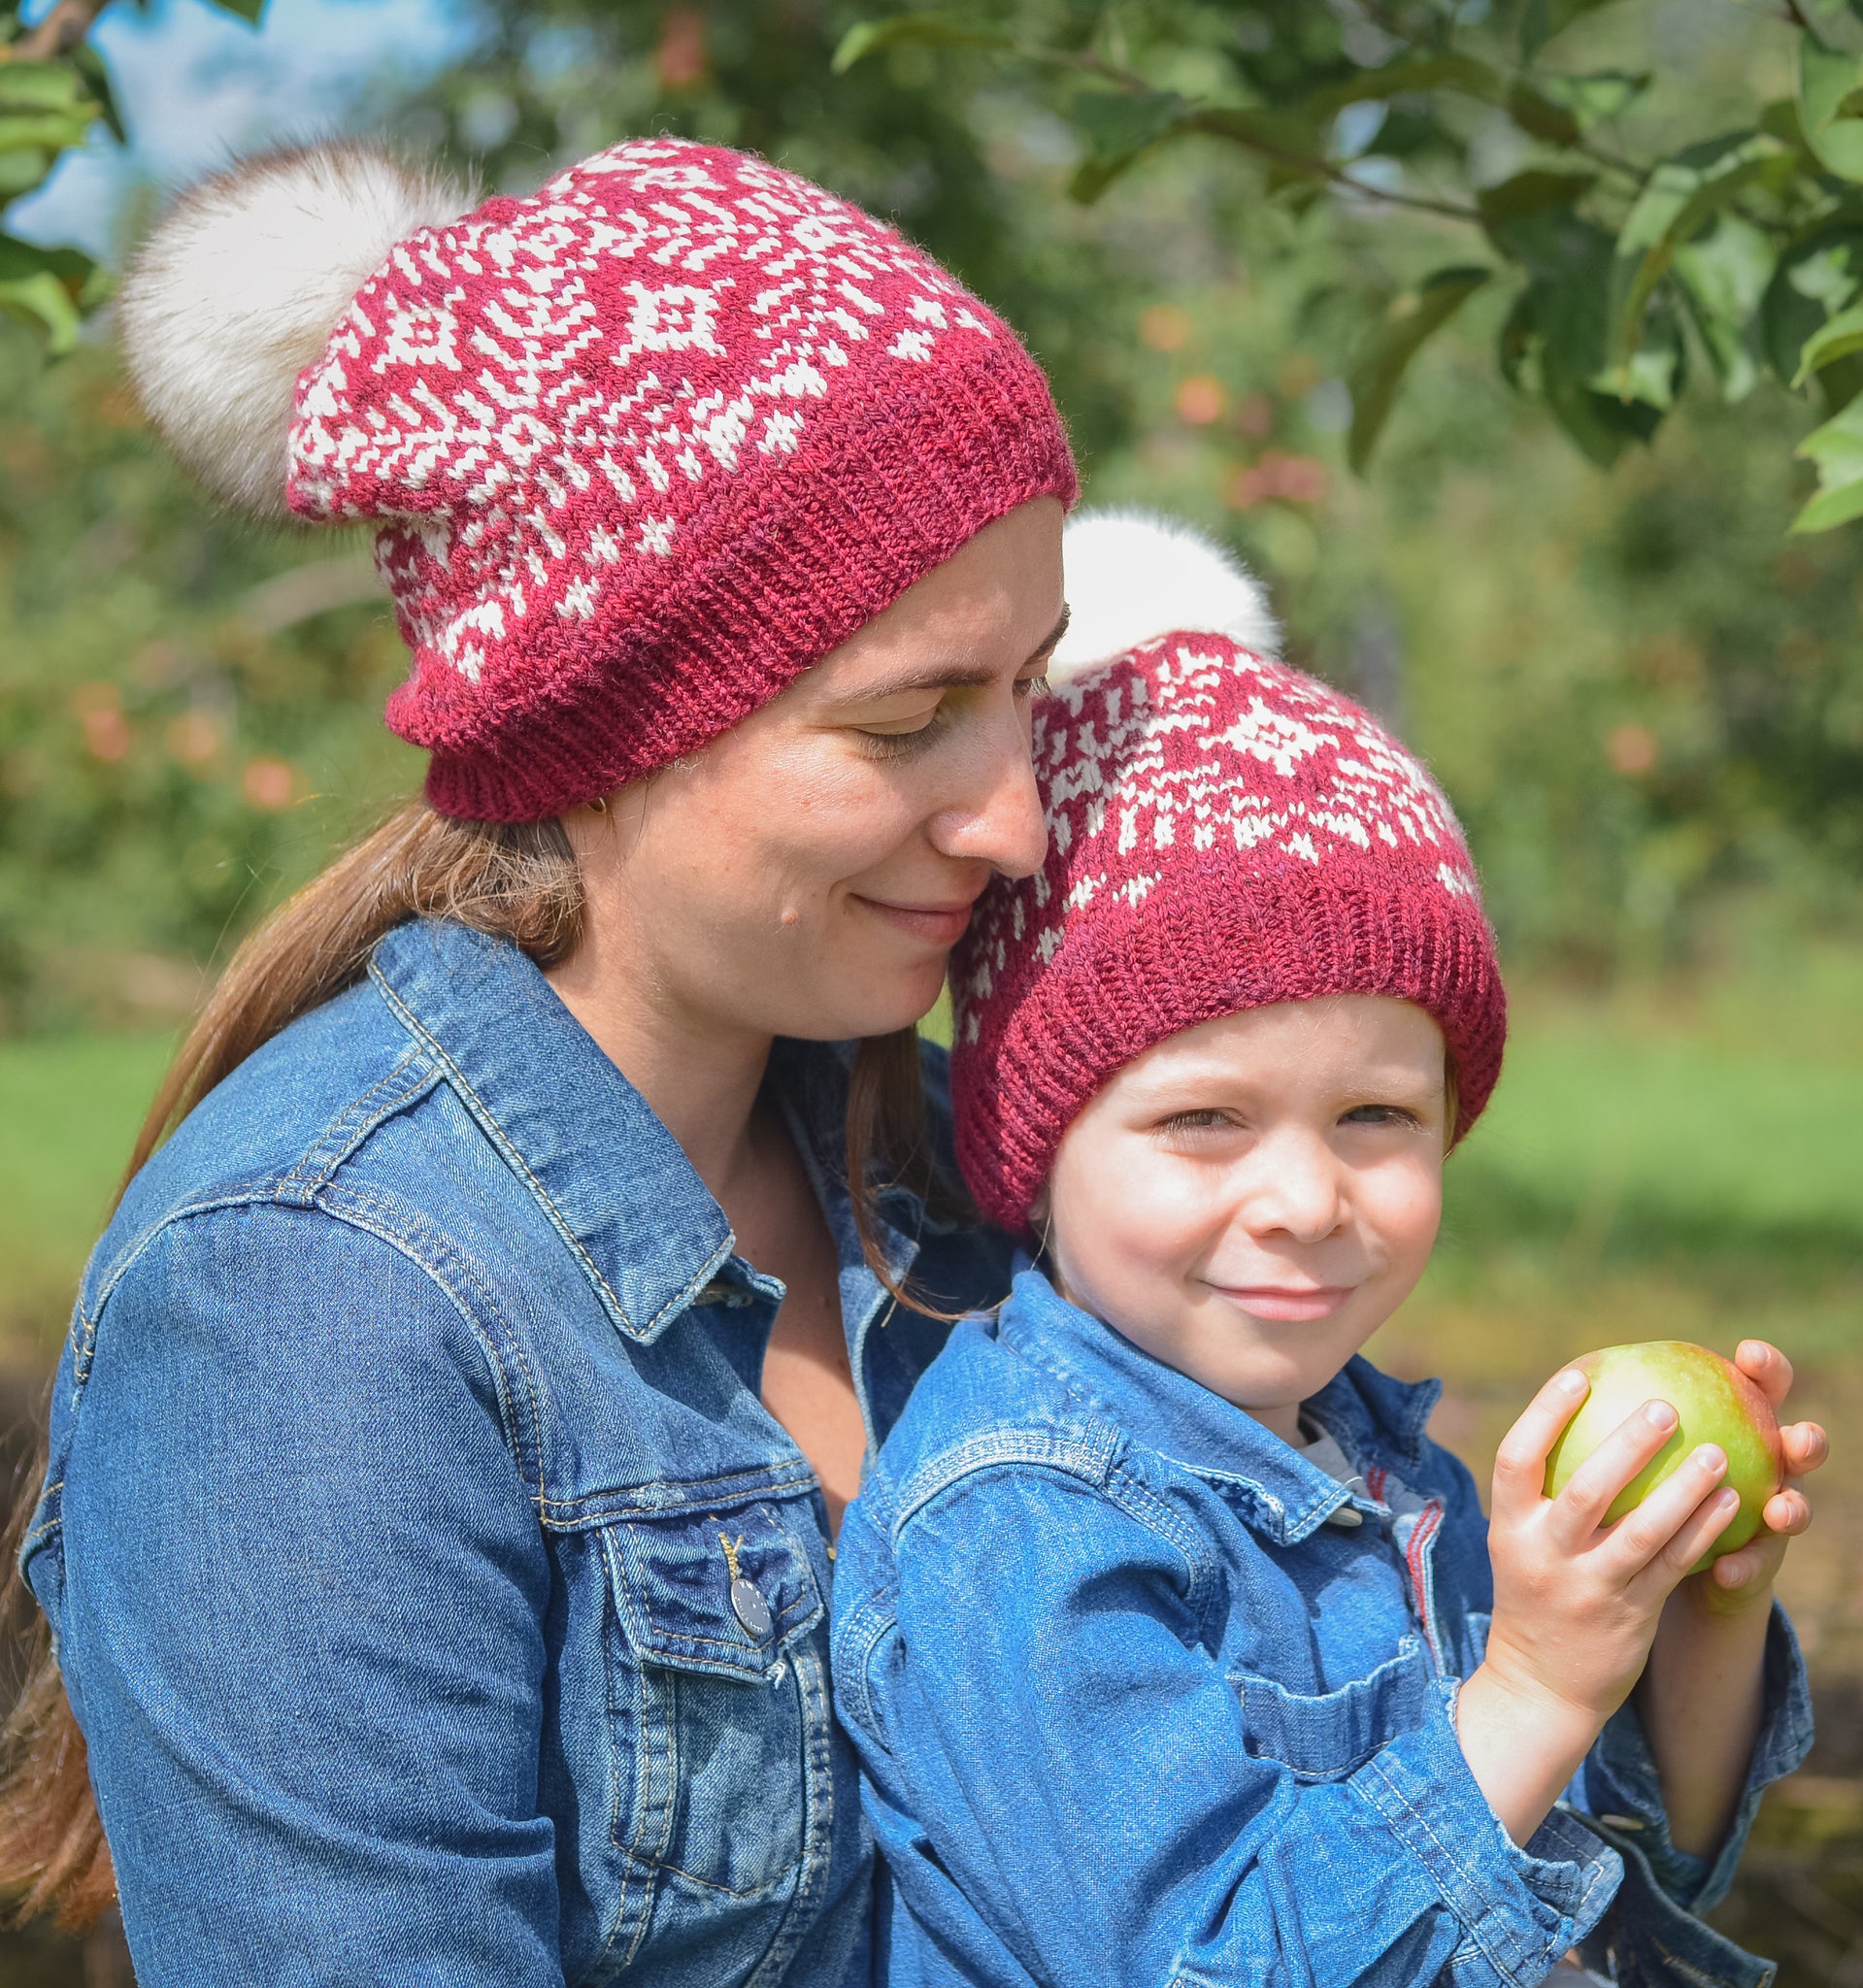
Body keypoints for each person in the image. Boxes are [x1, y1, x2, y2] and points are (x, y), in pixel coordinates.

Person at [2, 135, 1076, 1984]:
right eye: (908, 722)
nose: (1020, 822)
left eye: (1031, 691)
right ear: (605, 729)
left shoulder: (969, 1182)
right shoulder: (316, 1302)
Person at [830, 514, 1828, 1988]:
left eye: (1374, 1114)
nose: (1305, 1199)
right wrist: (1535, 1684)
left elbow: (1630, 1854)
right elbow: (1220, 1960)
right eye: (1205, 1121)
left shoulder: (1361, 1451)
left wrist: (1690, 1613)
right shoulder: (1023, 1523)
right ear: (1034, 1150)